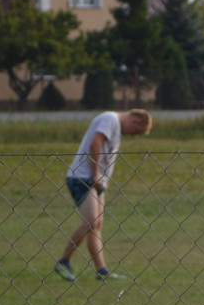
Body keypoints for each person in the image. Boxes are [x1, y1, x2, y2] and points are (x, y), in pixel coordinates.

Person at [53, 108, 152, 282]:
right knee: (91, 222)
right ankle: (64, 261)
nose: (132, 135)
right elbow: (95, 143)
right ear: (135, 121)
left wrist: (102, 178)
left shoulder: (115, 125)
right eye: (135, 132)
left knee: (96, 225)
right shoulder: (110, 119)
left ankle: (102, 270)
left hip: (97, 180)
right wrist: (95, 173)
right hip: (83, 178)